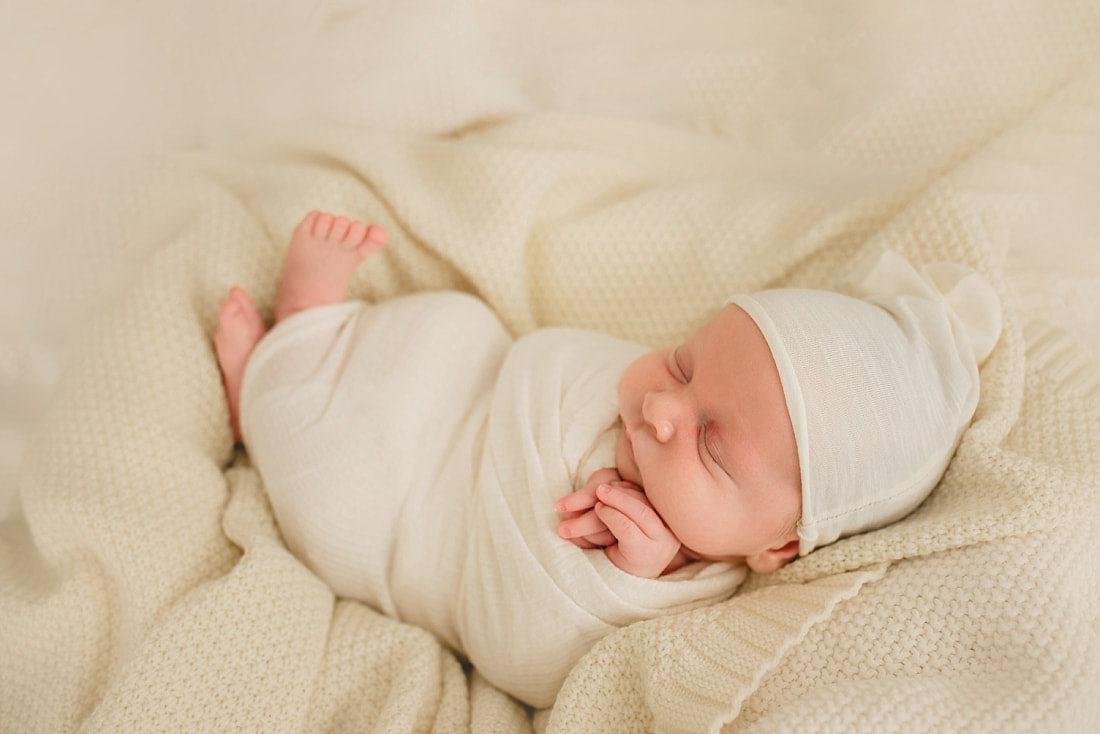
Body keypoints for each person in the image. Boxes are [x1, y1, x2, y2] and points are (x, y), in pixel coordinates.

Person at [214, 210, 1001, 706]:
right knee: (451, 326)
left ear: (779, 546)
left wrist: (629, 578)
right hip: (466, 391)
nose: (660, 410)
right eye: (684, 363)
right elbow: (542, 363)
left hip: (420, 519)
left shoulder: (684, 606)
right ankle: (323, 332)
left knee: (332, 501)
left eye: (710, 445)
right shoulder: (654, 413)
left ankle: (270, 385)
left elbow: (528, 661)